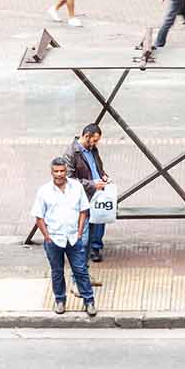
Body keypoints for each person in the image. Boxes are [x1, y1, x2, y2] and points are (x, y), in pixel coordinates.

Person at [30, 156, 95, 316]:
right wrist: (47, 236)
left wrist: (79, 233)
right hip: (54, 239)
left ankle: (89, 301)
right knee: (57, 271)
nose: (59, 174)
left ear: (66, 172)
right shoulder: (44, 191)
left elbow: (83, 211)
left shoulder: (77, 187)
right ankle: (60, 300)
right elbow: (39, 217)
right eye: (56, 171)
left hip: (73, 238)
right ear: (51, 172)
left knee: (80, 270)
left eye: (62, 171)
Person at [68, 123, 111, 263]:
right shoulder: (71, 153)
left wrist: (103, 175)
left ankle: (95, 247)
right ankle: (83, 253)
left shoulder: (93, 149)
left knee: (100, 218)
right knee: (85, 227)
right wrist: (92, 184)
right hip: (85, 194)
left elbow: (97, 166)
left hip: (98, 192)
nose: (96, 143)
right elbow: (69, 179)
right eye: (94, 140)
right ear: (87, 136)